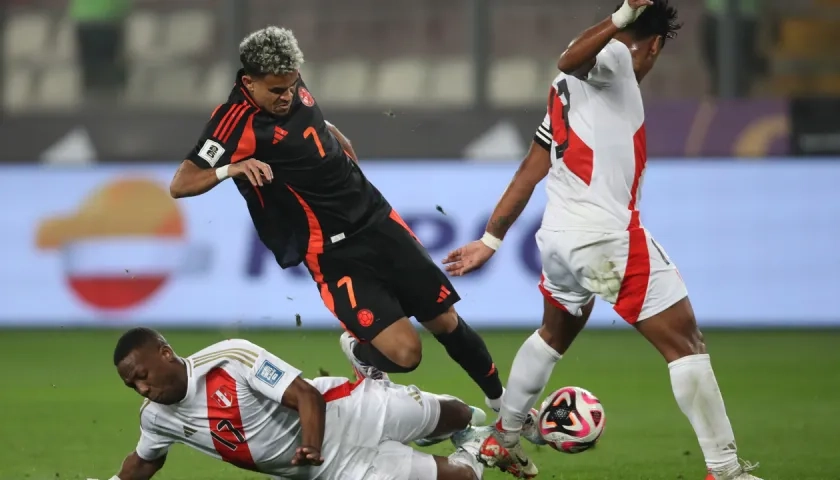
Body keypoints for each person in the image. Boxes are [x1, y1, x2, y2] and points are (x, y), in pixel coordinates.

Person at [442, 1, 762, 479]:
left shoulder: (564, 95)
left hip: (557, 240)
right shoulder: (613, 60)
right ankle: (727, 471)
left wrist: (491, 238)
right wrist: (624, 14)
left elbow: (531, 169)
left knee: (554, 334)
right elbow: (569, 57)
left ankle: (503, 439)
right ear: (653, 46)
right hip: (605, 237)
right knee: (686, 344)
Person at [167, 26, 504, 413]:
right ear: (249, 82)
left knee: (445, 321)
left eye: (293, 86)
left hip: (377, 218)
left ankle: (504, 407)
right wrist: (233, 168)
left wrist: (328, 129)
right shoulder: (234, 121)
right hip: (332, 249)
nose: (287, 95)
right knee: (407, 355)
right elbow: (181, 183)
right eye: (277, 90)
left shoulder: (288, 80)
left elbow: (304, 120)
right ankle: (359, 350)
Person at [106, 327, 500, 480]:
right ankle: (478, 446)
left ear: (165, 353)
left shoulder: (230, 358)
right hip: (335, 470)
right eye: (131, 384)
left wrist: (309, 443)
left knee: (455, 414)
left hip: (346, 410)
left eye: (142, 375)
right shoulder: (157, 419)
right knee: (462, 479)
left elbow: (306, 395)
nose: (140, 387)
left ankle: (466, 425)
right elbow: (144, 462)